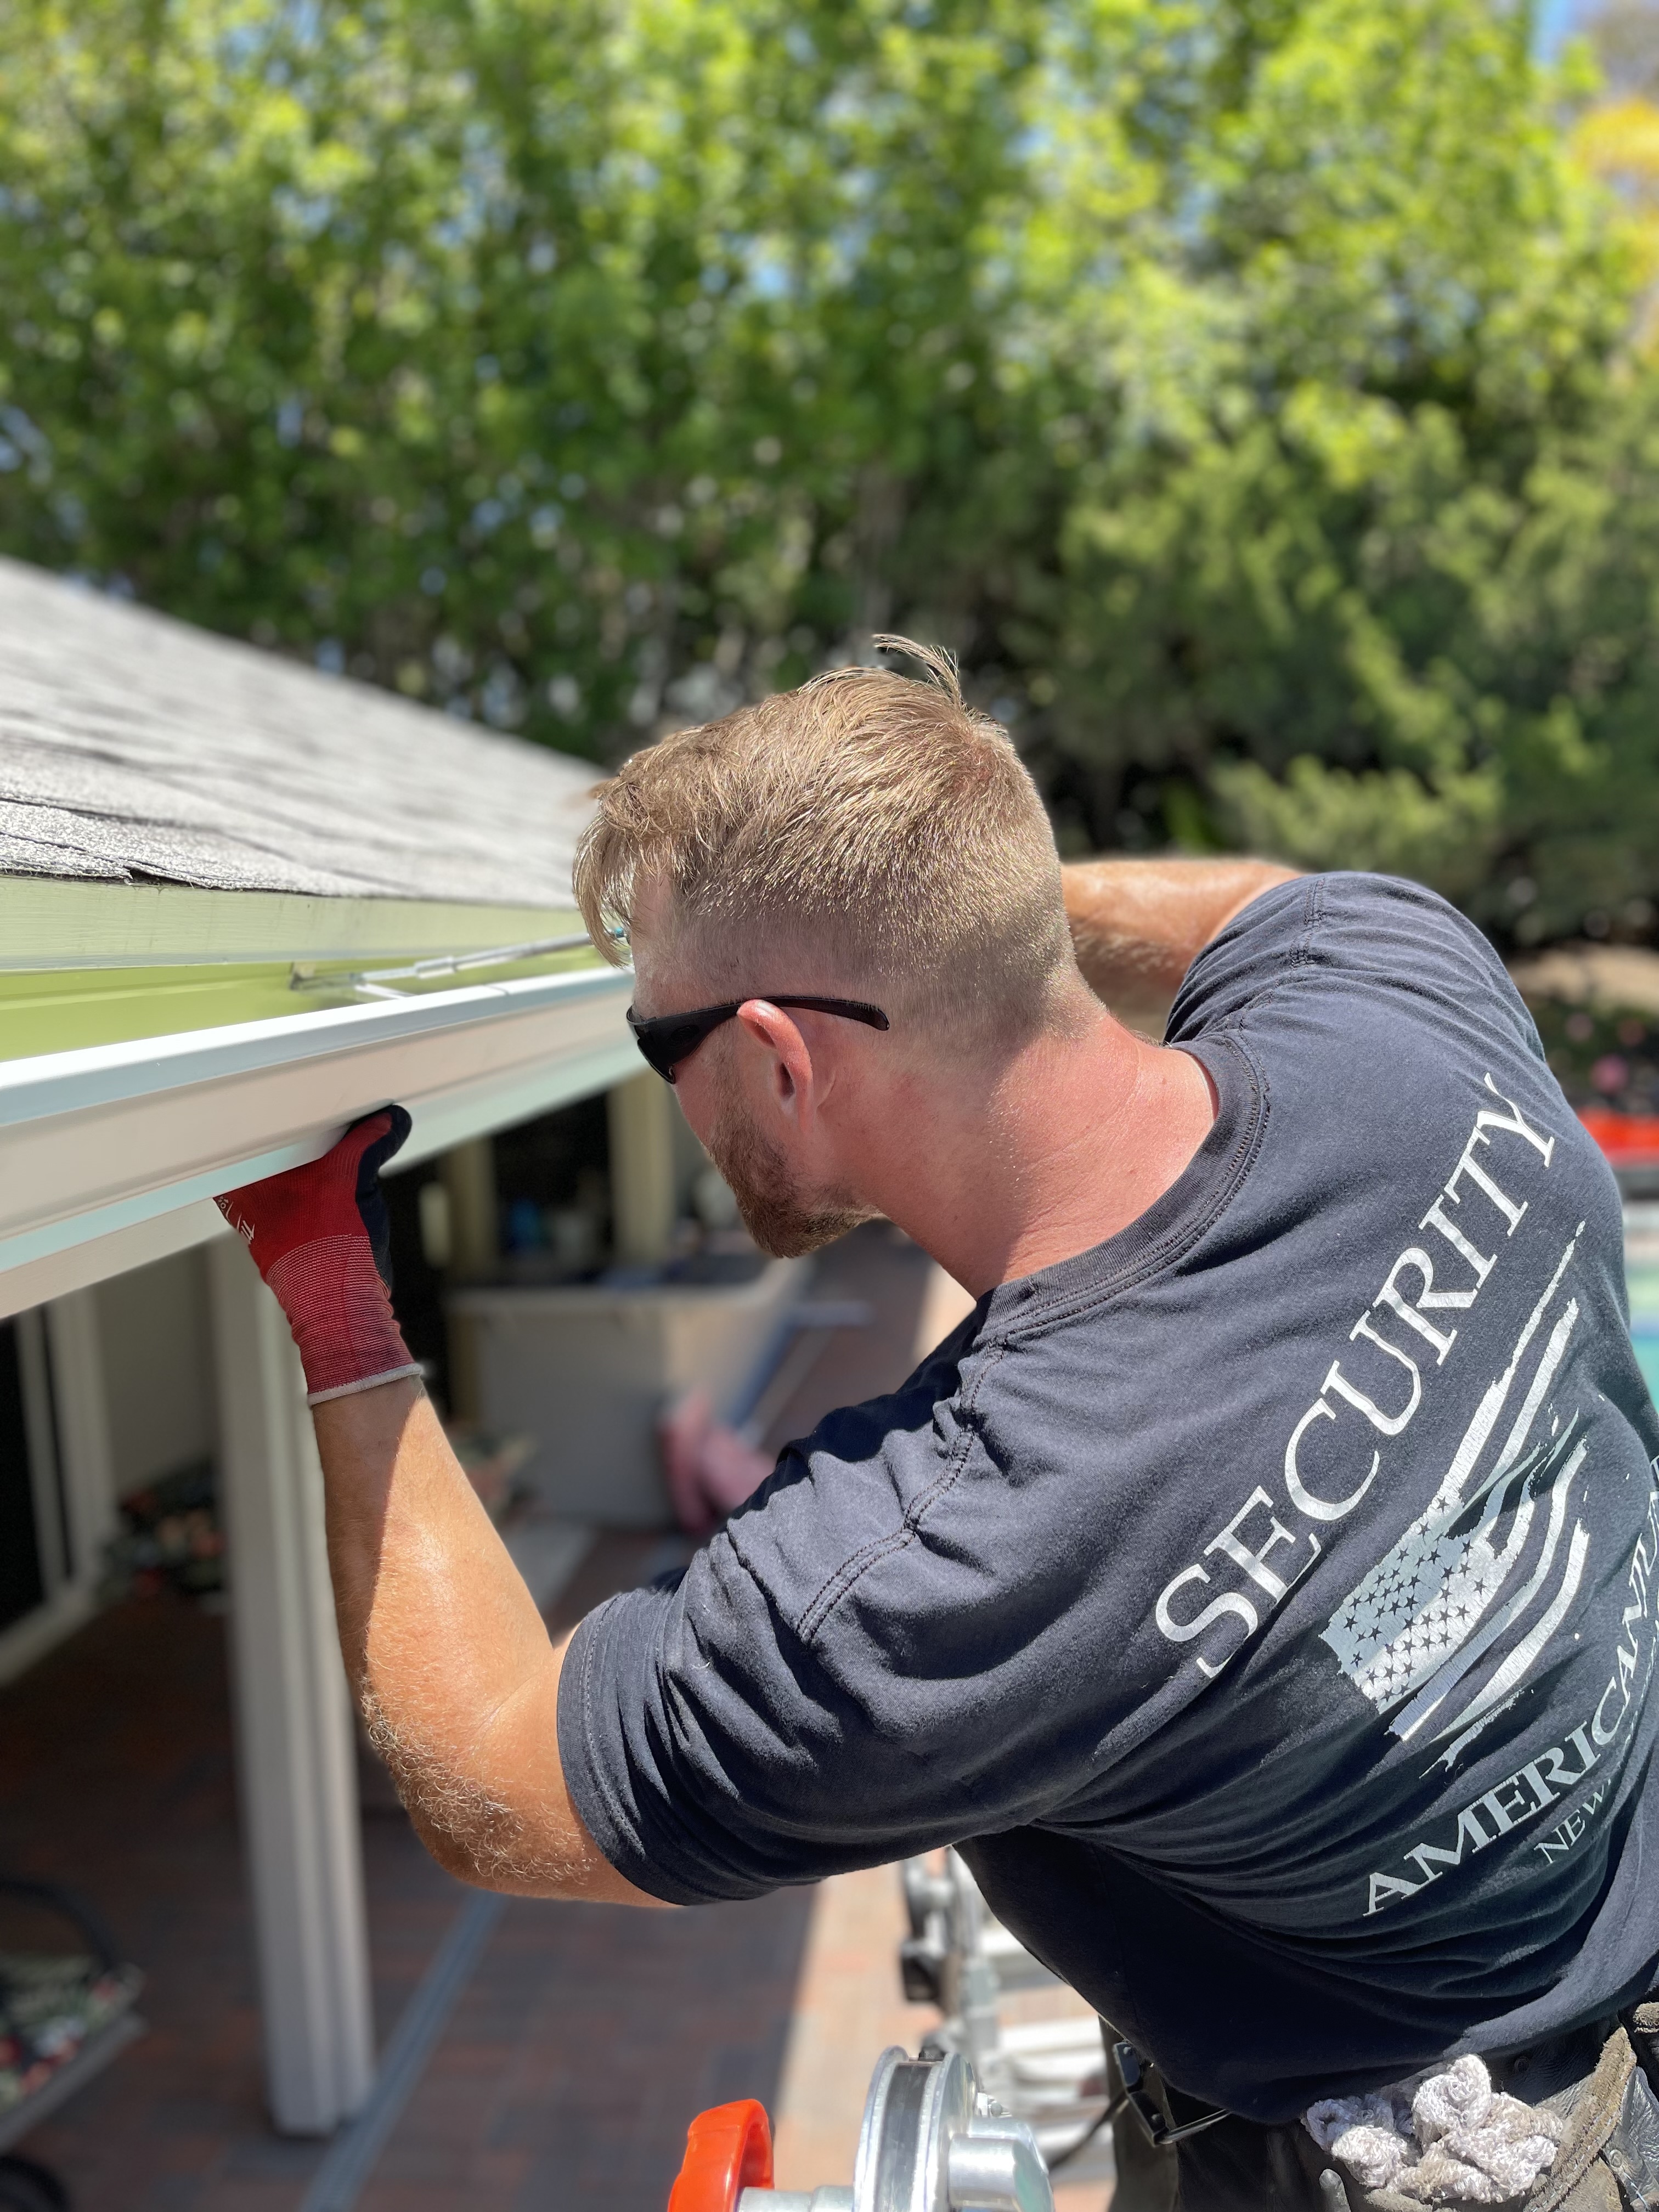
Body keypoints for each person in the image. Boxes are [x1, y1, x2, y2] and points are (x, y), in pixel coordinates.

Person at [216, 643, 1659, 2210]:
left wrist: (327, 1280)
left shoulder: (952, 1560)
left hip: (1453, 2153)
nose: (663, 1098)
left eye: (659, 1048)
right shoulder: (1404, 1000)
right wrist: (963, 894)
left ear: (779, 1054)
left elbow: (489, 1774)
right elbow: (1258, 900)